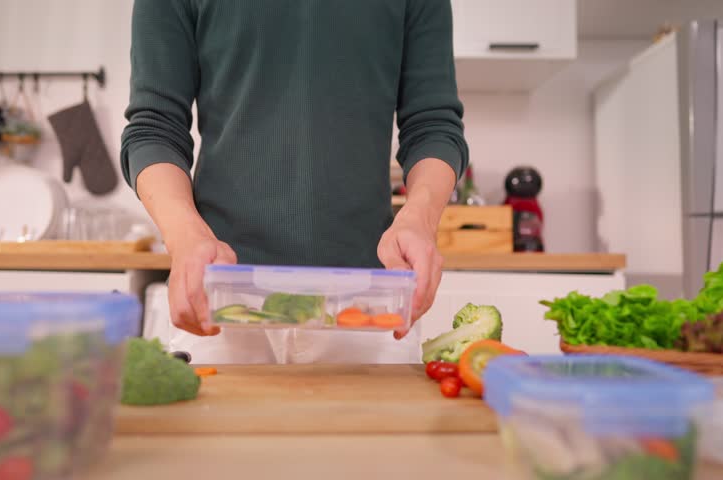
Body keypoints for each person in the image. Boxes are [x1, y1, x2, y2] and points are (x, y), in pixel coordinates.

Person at [120, 0, 469, 364]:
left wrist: (420, 219)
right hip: (221, 297)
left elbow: (433, 125)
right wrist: (186, 237)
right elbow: (155, 128)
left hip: (369, 303)